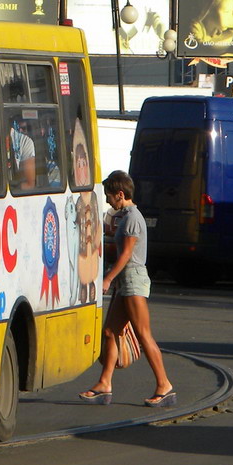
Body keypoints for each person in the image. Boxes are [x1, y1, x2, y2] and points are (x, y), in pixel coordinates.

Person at [79, 170, 175, 408]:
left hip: (132, 279)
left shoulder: (132, 217)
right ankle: (104, 383)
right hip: (125, 281)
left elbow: (126, 255)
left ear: (120, 194)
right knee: (111, 332)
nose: (108, 201)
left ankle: (164, 385)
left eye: (109, 196)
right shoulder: (124, 216)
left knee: (143, 334)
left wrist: (107, 279)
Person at [8, 118, 36, 190]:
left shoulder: (25, 142)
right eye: (17, 127)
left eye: (23, 128)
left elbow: (29, 184)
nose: (20, 130)